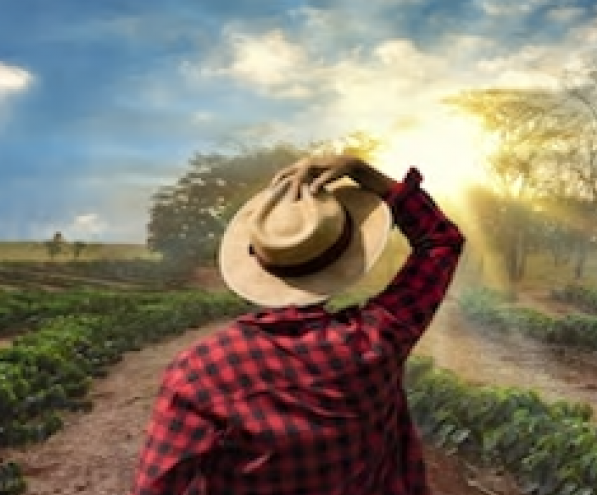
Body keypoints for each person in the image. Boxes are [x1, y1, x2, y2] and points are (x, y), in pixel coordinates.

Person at [130, 153, 465, 495]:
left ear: (255, 260)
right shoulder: (379, 339)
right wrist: (360, 170)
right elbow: (440, 242)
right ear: (346, 252)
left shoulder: (200, 372)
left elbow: (156, 488)